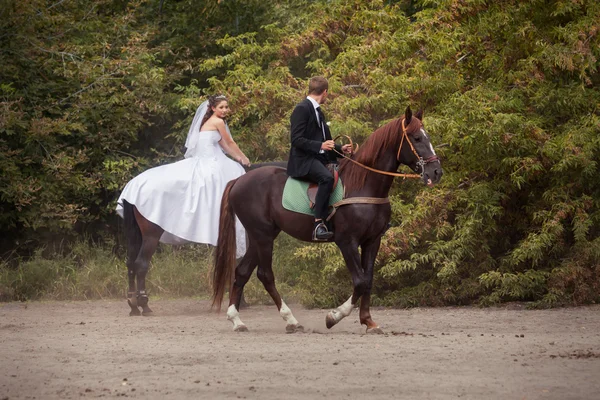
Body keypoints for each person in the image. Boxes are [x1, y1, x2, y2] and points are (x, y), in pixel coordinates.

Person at [116, 94, 250, 257]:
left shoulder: (207, 122)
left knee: (232, 170)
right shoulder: (218, 122)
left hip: (207, 158)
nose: (224, 110)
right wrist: (243, 158)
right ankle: (218, 220)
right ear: (213, 108)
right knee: (233, 174)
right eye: (221, 107)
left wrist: (239, 158)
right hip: (210, 161)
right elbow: (230, 143)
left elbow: (224, 144)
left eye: (226, 107)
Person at [287, 76, 352, 241]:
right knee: (326, 178)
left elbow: (324, 141)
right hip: (303, 160)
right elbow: (296, 140)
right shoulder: (302, 108)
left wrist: (340, 148)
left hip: (318, 158)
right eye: (327, 93)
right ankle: (318, 225)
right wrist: (320, 146)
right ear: (325, 92)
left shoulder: (317, 110)